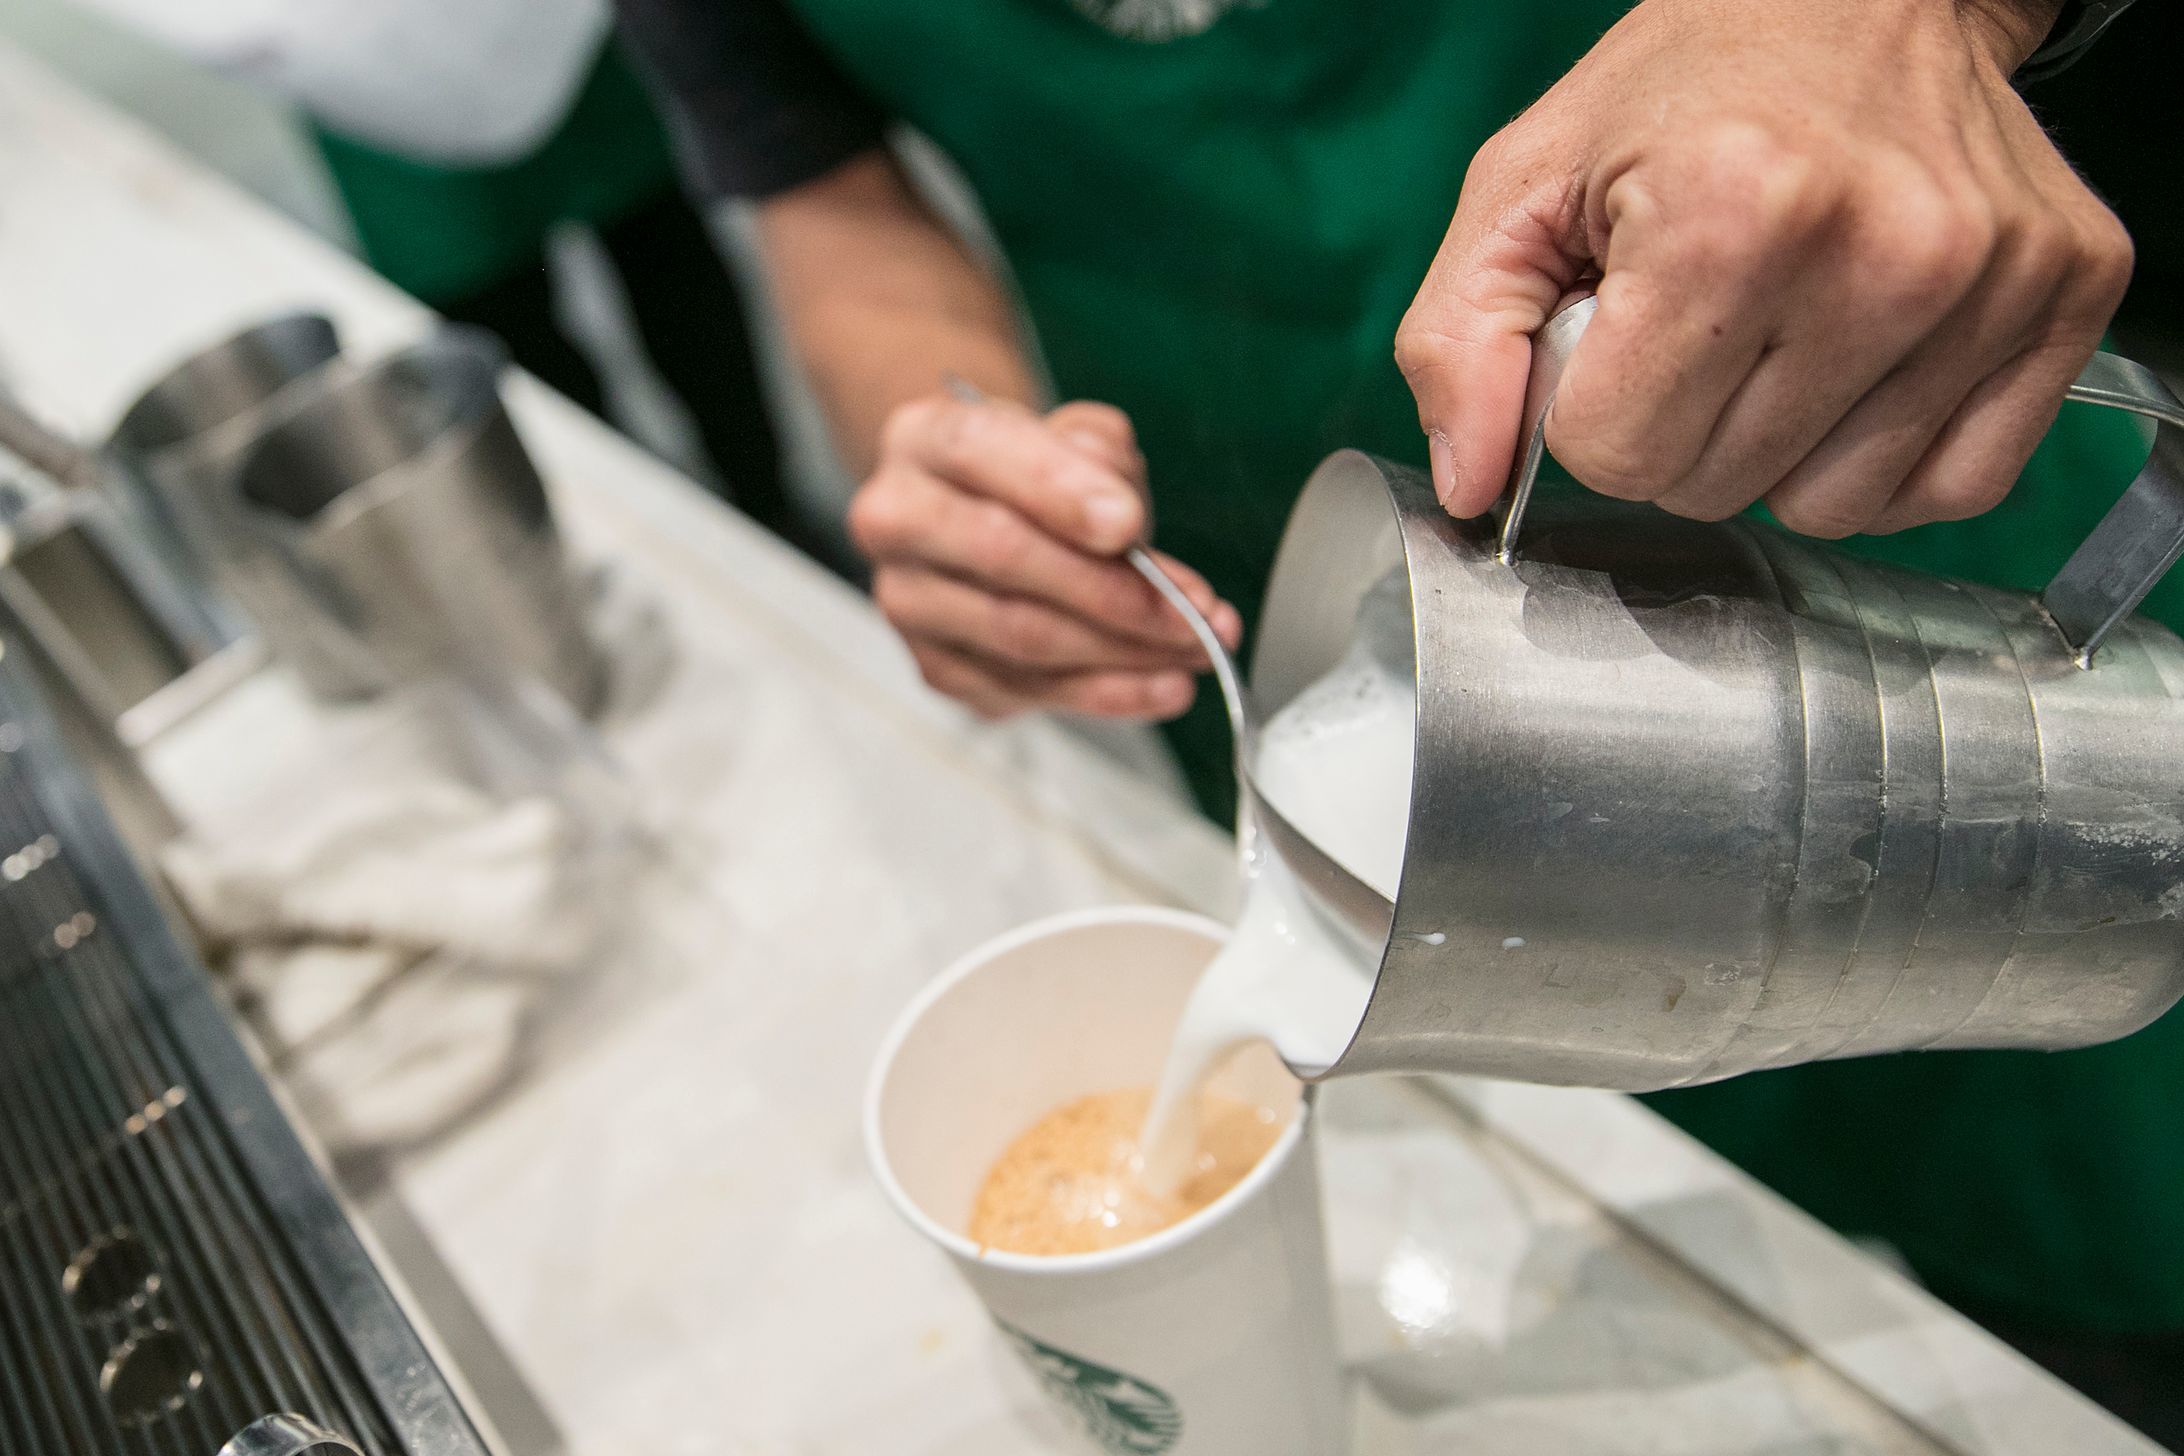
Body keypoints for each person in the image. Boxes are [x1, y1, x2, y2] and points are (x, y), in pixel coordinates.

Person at [612, 0, 2180, 1439]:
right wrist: (952, 437)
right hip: (1313, 618)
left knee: (2075, 1209)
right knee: (1629, 1237)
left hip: (1863, 499)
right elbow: (831, 197)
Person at [73, 0, 794, 547]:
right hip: (357, 50)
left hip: (559, 32)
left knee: (666, 250)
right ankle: (618, 535)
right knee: (505, 341)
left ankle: (770, 505)